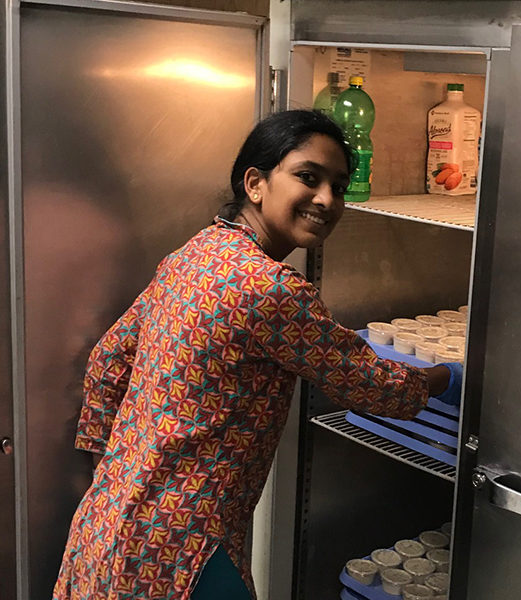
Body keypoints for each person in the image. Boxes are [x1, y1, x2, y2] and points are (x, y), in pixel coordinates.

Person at [52, 110, 464, 600]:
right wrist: (450, 375)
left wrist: (111, 468)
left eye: (338, 184)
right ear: (255, 183)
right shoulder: (272, 290)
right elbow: (376, 388)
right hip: (181, 552)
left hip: (107, 523)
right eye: (308, 177)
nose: (327, 199)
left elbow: (108, 360)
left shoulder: (198, 253)